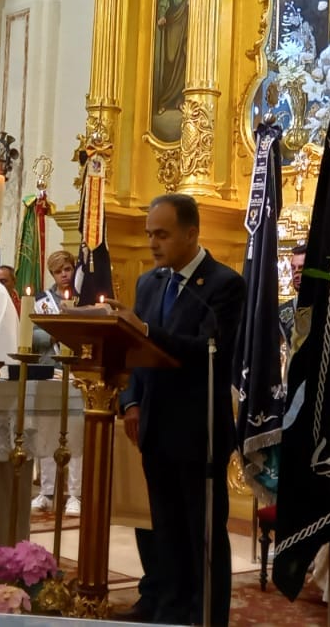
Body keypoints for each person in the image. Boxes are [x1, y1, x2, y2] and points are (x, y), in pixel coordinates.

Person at [119, 194, 245, 624]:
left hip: (198, 431)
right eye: (149, 234)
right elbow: (135, 349)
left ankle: (206, 614)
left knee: (202, 534)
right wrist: (130, 400)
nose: (153, 243)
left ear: (192, 234)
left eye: (163, 234)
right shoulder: (149, 283)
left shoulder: (224, 285)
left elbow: (211, 352)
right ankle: (168, 612)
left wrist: (148, 330)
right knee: (166, 532)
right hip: (155, 425)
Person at [31, 250, 82, 517]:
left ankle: (75, 494)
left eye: (67, 269)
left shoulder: (84, 298)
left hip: (76, 373)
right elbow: (31, 334)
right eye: (58, 271)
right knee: (46, 433)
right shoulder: (41, 301)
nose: (64, 275)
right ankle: (47, 492)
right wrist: (55, 334)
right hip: (49, 371)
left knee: (75, 434)